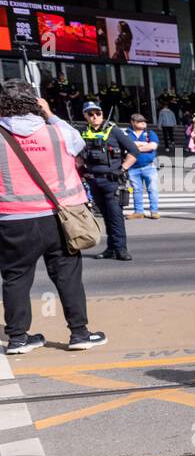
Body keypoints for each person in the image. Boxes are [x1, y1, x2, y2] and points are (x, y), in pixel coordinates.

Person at [0, 80, 106, 354]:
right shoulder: (57, 131)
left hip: (13, 219)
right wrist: (49, 113)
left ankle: (17, 339)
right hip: (60, 217)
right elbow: (78, 142)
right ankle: (80, 333)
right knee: (68, 276)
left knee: (16, 278)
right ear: (35, 103)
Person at [77, 101, 138, 261]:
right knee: (105, 216)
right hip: (94, 181)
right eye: (90, 114)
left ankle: (121, 249)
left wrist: (122, 169)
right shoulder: (83, 132)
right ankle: (111, 248)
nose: (94, 117)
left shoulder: (114, 131)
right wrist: (81, 168)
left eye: (97, 113)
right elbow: (76, 153)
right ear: (85, 116)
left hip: (112, 181)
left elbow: (134, 151)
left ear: (102, 114)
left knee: (115, 216)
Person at [125, 114, 160, 220]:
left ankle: (154, 211)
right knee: (136, 190)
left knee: (153, 189)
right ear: (133, 122)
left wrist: (134, 147)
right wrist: (143, 144)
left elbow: (153, 146)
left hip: (149, 166)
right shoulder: (126, 133)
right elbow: (125, 146)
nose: (143, 123)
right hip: (132, 167)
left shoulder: (150, 133)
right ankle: (138, 211)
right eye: (140, 121)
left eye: (144, 121)